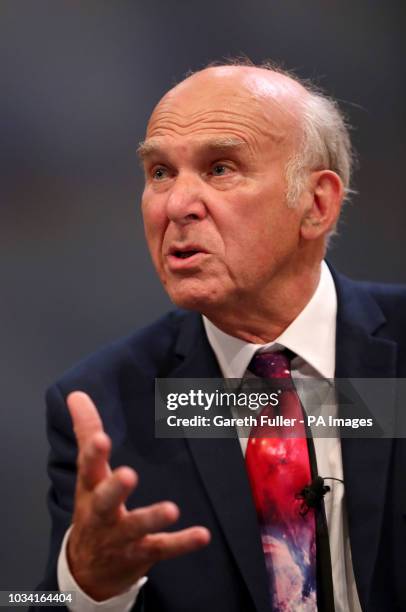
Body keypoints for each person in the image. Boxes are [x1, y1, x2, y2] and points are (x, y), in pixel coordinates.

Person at [34, 61, 406, 612]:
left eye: (221, 168)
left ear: (317, 203)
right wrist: (89, 585)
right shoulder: (103, 404)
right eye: (159, 172)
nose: (176, 205)